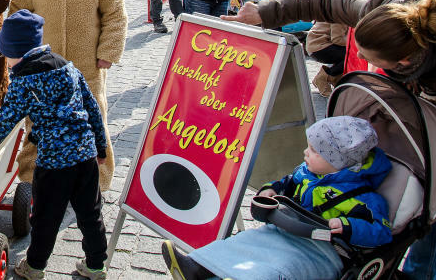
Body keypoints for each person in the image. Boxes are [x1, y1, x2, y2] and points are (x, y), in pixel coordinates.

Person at [227, 0, 436, 280]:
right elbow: (326, 1)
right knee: (422, 219)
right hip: (424, 138)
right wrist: (265, 11)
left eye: (375, 61)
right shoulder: (385, 11)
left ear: (403, 63)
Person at [0, 9, 108, 280]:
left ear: (16, 52)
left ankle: (34, 267)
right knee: (91, 213)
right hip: (86, 155)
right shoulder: (68, 67)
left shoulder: (23, 83)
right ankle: (96, 265)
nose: (5, 62)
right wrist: (100, 148)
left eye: (5, 55)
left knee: (45, 217)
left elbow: (1, 126)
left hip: (54, 162)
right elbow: (92, 108)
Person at [162, 116, 392, 280]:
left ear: (338, 162)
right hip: (285, 231)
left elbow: (381, 232)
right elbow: (285, 183)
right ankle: (196, 266)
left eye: (313, 151)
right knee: (242, 243)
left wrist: (347, 226)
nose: (305, 153)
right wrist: (270, 190)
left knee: (279, 268)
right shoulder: (308, 174)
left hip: (322, 252)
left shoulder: (363, 198)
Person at [10, 0, 127, 191]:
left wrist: (108, 52)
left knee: (92, 118)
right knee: (37, 122)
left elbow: (116, 14)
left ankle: (95, 180)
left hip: (86, 66)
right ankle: (31, 177)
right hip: (41, 70)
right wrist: (18, 54)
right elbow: (17, 11)